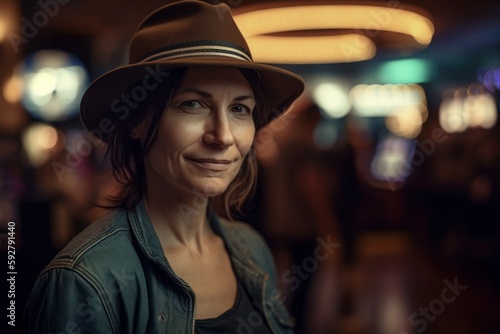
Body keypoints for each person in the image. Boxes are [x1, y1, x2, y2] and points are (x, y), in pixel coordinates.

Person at [24, 1, 304, 333]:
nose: (223, 136)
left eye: (240, 109)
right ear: (137, 121)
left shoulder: (253, 250)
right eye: (193, 104)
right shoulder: (87, 278)